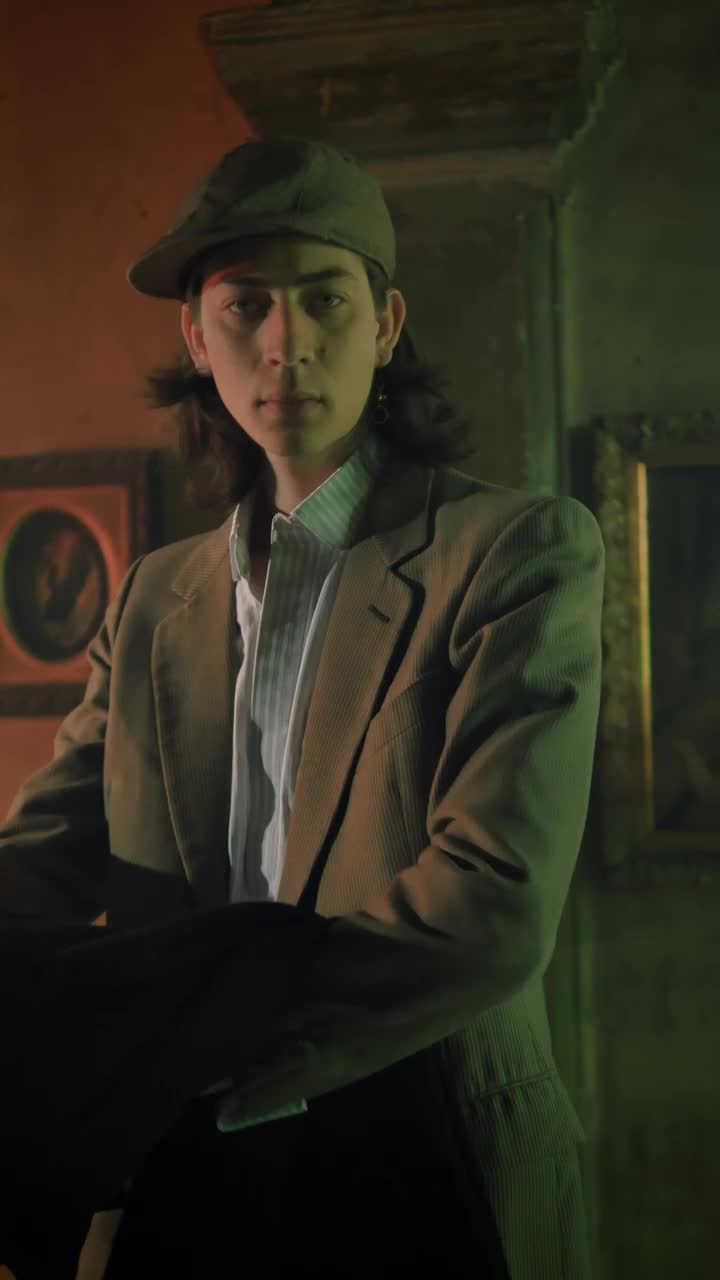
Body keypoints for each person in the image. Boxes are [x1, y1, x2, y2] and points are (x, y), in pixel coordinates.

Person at [0, 136, 605, 1279]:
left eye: (325, 297)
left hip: (423, 1157)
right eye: (246, 305)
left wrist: (186, 1045)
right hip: (176, 1183)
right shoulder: (152, 598)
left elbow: (493, 900)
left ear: (386, 323)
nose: (287, 342)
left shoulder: (514, 551)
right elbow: (41, 859)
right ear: (196, 336)